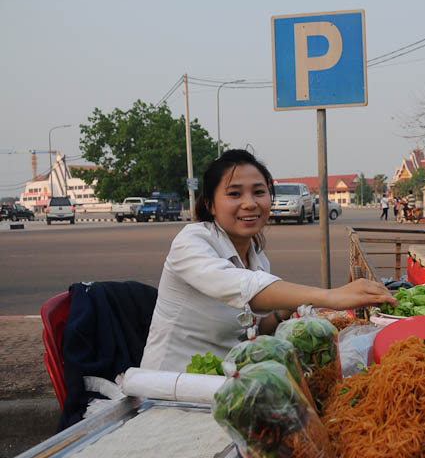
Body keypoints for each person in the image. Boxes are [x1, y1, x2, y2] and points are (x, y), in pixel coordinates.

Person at [140, 150, 396, 372]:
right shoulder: (192, 241)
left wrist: (292, 308)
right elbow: (244, 287)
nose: (249, 203)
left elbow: (259, 328)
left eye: (259, 192)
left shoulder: (257, 258)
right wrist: (330, 296)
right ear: (211, 205)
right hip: (169, 386)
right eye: (234, 194)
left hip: (227, 382)